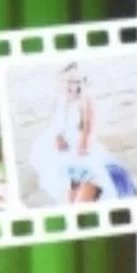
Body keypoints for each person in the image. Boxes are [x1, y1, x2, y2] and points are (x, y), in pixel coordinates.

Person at [29, 63, 121, 204]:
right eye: (69, 82)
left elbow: (88, 126)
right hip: (66, 147)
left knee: (86, 174)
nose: (73, 86)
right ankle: (72, 196)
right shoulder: (61, 101)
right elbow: (57, 122)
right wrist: (58, 137)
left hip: (80, 145)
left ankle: (83, 196)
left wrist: (83, 144)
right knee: (68, 179)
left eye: (77, 82)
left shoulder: (85, 100)